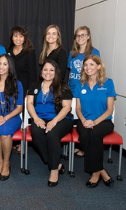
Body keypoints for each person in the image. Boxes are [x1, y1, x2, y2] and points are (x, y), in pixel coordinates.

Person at [27, 59, 73, 187]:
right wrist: (35, 118)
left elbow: (66, 107)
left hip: (61, 119)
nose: (48, 72)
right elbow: (29, 103)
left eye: (51, 70)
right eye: (45, 69)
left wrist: (54, 121)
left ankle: (53, 171)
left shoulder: (63, 86)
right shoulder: (35, 86)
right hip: (40, 118)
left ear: (56, 72)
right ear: (41, 71)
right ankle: (56, 163)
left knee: (52, 134)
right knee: (36, 133)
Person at [74, 55, 115, 188]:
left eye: (91, 64)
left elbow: (109, 110)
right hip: (84, 120)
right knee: (85, 135)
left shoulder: (108, 83)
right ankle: (101, 169)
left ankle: (95, 173)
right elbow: (78, 108)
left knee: (94, 134)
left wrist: (95, 122)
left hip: (103, 121)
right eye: (85, 65)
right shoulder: (80, 85)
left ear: (98, 66)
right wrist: (84, 120)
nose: (88, 68)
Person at [0, 54, 23, 181]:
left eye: (5, 64)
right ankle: (0, 162)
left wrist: (5, 118)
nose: (1, 66)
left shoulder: (17, 84)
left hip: (11, 116)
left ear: (9, 66)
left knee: (5, 132)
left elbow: (19, 107)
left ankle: (7, 162)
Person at [68, 26, 100, 158]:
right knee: (72, 117)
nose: (80, 38)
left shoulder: (94, 52)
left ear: (88, 36)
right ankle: (77, 145)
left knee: (84, 116)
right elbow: (71, 72)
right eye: (77, 35)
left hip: (86, 91)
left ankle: (86, 148)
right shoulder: (72, 53)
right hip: (72, 89)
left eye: (83, 35)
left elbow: (95, 72)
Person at [7, 25, 37, 154]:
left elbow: (33, 75)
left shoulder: (29, 53)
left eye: (20, 36)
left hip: (24, 90)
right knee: (11, 114)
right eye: (15, 36)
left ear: (24, 37)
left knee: (23, 116)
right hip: (10, 89)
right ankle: (13, 139)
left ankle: (21, 143)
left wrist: (29, 93)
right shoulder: (8, 51)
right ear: (12, 37)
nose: (18, 38)